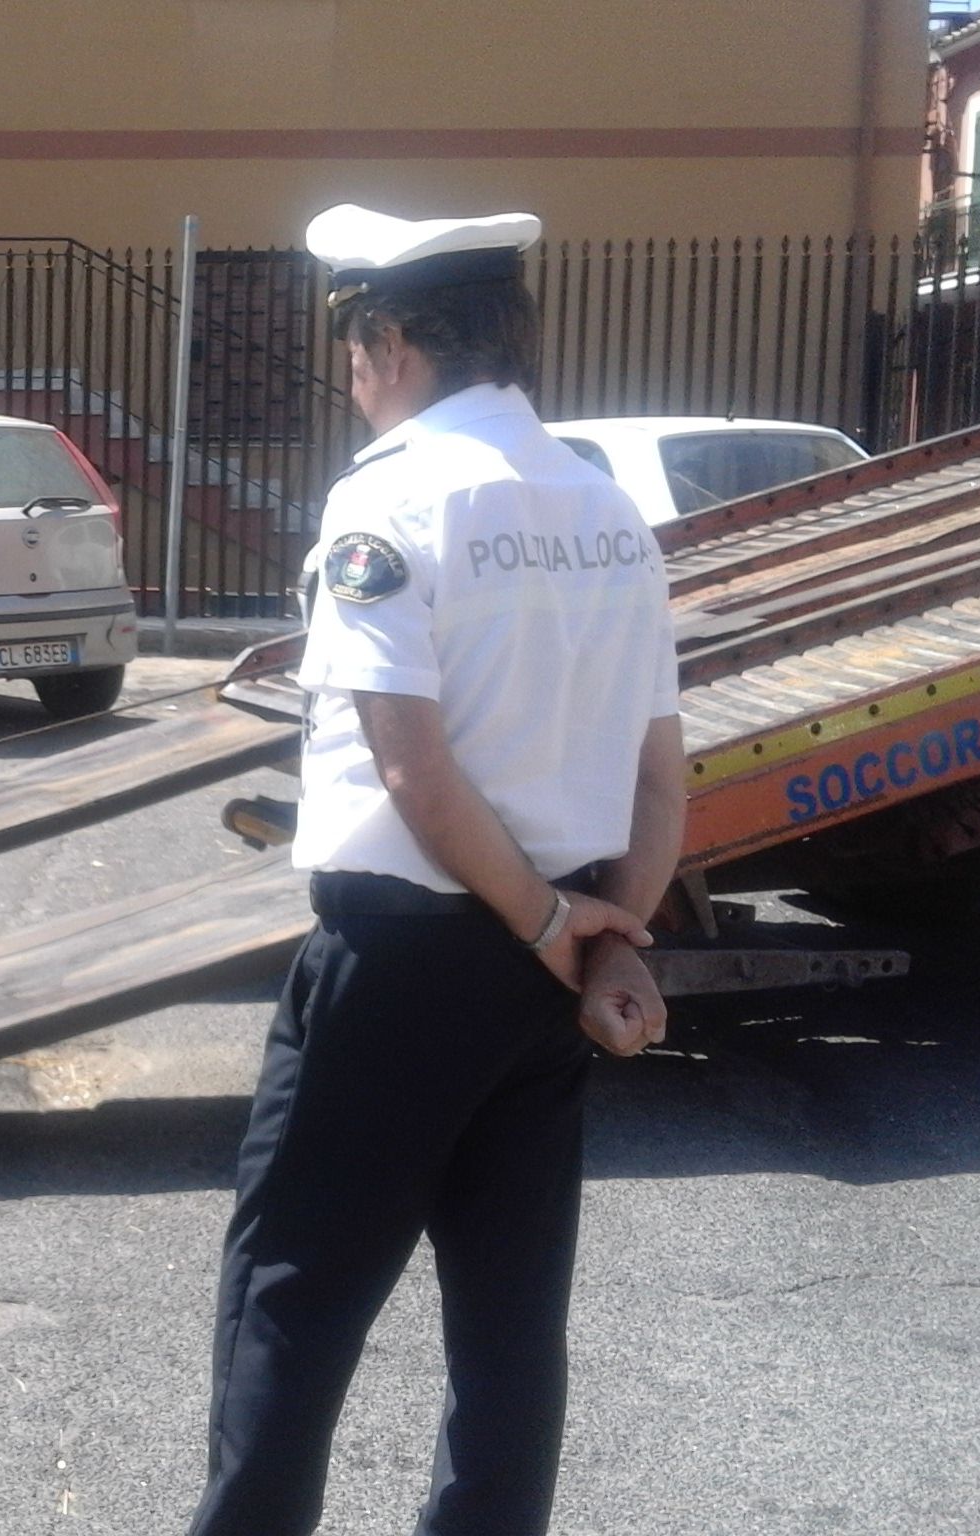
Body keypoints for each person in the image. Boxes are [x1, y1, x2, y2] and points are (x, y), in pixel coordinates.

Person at [185, 204, 688, 1536]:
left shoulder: (390, 497)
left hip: (408, 961)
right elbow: (661, 774)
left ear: (396, 343)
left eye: (355, 351)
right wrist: (606, 938)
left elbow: (410, 767)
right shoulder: (610, 511)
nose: (354, 379)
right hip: (552, 969)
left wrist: (544, 921)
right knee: (510, 1325)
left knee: (291, 1299)